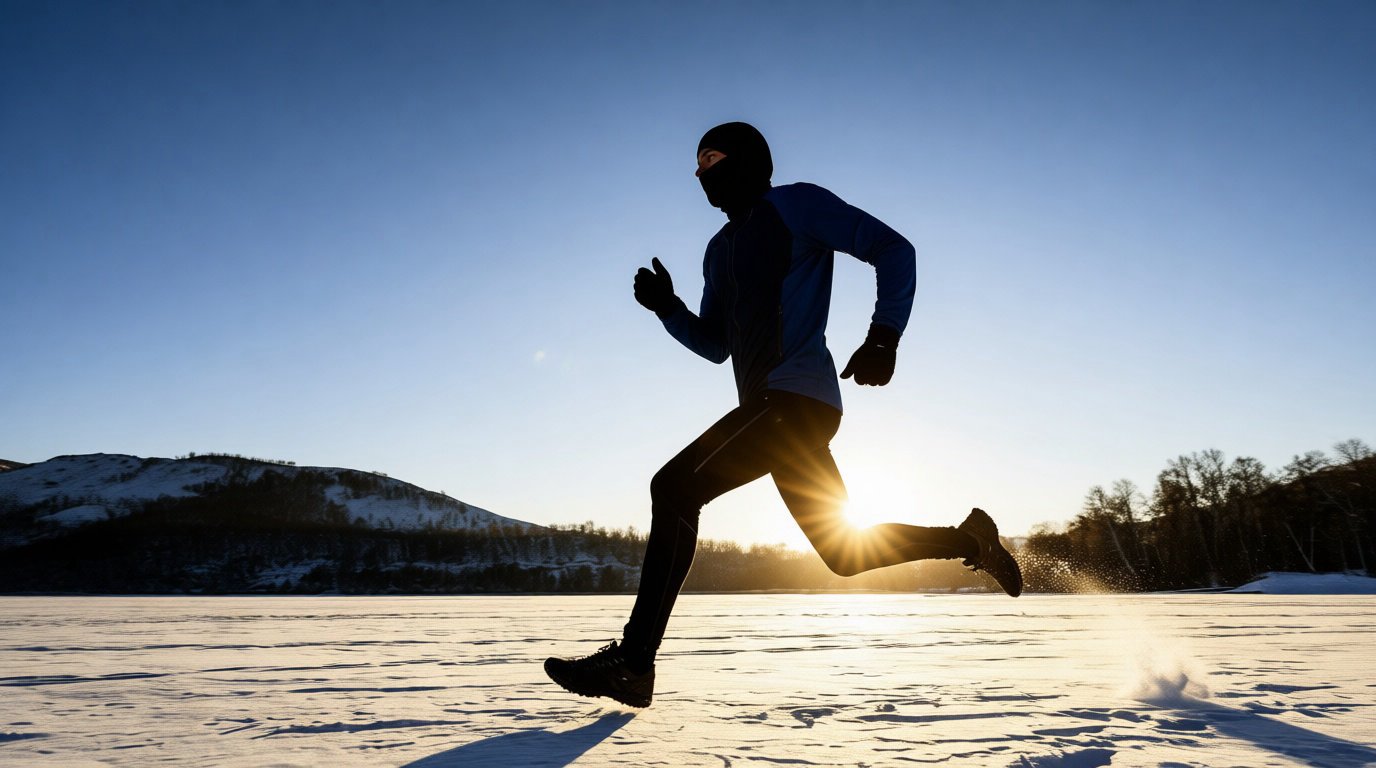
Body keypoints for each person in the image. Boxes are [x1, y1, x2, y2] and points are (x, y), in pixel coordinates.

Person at [544, 122, 1021, 708]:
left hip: (795, 403)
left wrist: (884, 337)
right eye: (695, 166)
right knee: (844, 554)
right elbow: (716, 342)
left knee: (672, 489)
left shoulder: (794, 204)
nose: (700, 174)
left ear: (746, 161)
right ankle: (971, 540)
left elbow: (895, 250)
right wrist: (668, 309)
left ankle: (633, 663)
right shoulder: (718, 251)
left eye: (711, 159)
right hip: (768, 413)